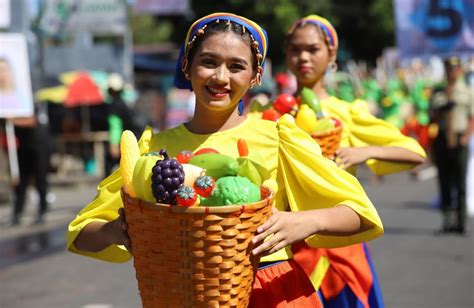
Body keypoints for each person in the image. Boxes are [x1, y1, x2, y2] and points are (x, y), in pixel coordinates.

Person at [66, 13, 383, 307]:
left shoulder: (279, 136)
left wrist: (304, 221)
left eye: (236, 66)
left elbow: (360, 212)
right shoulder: (153, 148)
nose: (220, 77)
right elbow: (82, 231)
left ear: (255, 75)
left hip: (272, 294)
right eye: (209, 62)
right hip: (182, 294)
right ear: (188, 67)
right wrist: (117, 230)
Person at [283, 15, 426, 307]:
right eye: (295, 49)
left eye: (313, 49)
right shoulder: (269, 112)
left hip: (338, 247)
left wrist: (365, 151)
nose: (303, 57)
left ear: (331, 54)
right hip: (286, 247)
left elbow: (414, 152)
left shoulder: (345, 112)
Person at [430, 56, 473, 234]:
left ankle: (461, 221)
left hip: (459, 138)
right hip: (442, 139)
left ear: (459, 70)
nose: (452, 72)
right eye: (449, 69)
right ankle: (447, 220)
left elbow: (472, 117)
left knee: (461, 183)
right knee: (445, 181)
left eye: (455, 69)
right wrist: (441, 109)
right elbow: (431, 116)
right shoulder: (438, 92)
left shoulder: (467, 91)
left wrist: (467, 137)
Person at [9, 106, 51, 225]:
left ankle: (43, 209)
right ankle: (17, 212)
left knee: (40, 179)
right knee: (21, 183)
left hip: (39, 146)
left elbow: (32, 121)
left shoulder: (30, 102)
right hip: (23, 147)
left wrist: (13, 120)